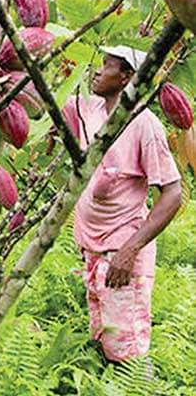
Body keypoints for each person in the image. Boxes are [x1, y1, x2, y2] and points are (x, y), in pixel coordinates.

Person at [68, 46, 182, 362]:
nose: (98, 70)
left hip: (121, 254)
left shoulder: (144, 125)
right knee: (105, 341)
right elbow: (37, 98)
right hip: (92, 251)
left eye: (107, 65)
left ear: (126, 77)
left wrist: (129, 251)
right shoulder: (88, 111)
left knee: (128, 352)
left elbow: (173, 194)